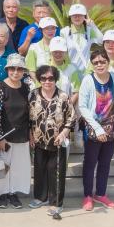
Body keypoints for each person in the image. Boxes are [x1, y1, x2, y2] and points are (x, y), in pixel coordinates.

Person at [78, 46, 114, 212]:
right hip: (93, 128)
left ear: (108, 62)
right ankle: (87, 195)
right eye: (96, 62)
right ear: (92, 65)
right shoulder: (88, 80)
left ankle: (101, 193)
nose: (99, 65)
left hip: (111, 127)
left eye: (102, 61)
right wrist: (97, 129)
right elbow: (83, 107)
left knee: (105, 163)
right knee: (90, 163)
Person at [29, 64, 75, 217]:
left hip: (57, 142)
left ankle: (56, 203)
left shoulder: (63, 96)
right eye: (43, 78)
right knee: (39, 170)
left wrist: (64, 133)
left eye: (51, 78)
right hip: (38, 140)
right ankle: (40, 197)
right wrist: (30, 135)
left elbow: (71, 118)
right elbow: (29, 118)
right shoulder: (33, 95)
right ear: (39, 79)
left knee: (56, 173)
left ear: (55, 79)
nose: (47, 81)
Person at [0, 53, 32, 209]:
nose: (16, 72)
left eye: (19, 69)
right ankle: (1, 194)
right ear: (7, 70)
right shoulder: (0, 87)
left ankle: (13, 193)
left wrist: (30, 132)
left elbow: (30, 113)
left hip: (22, 134)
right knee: (3, 166)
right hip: (5, 136)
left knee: (18, 167)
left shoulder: (26, 88)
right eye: (12, 69)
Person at [60, 3, 103, 73]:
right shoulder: (64, 32)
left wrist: (93, 25)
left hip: (87, 72)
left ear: (84, 17)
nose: (77, 18)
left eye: (80, 15)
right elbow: (61, 53)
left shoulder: (89, 31)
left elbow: (101, 41)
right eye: (74, 15)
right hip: (70, 72)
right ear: (70, 17)